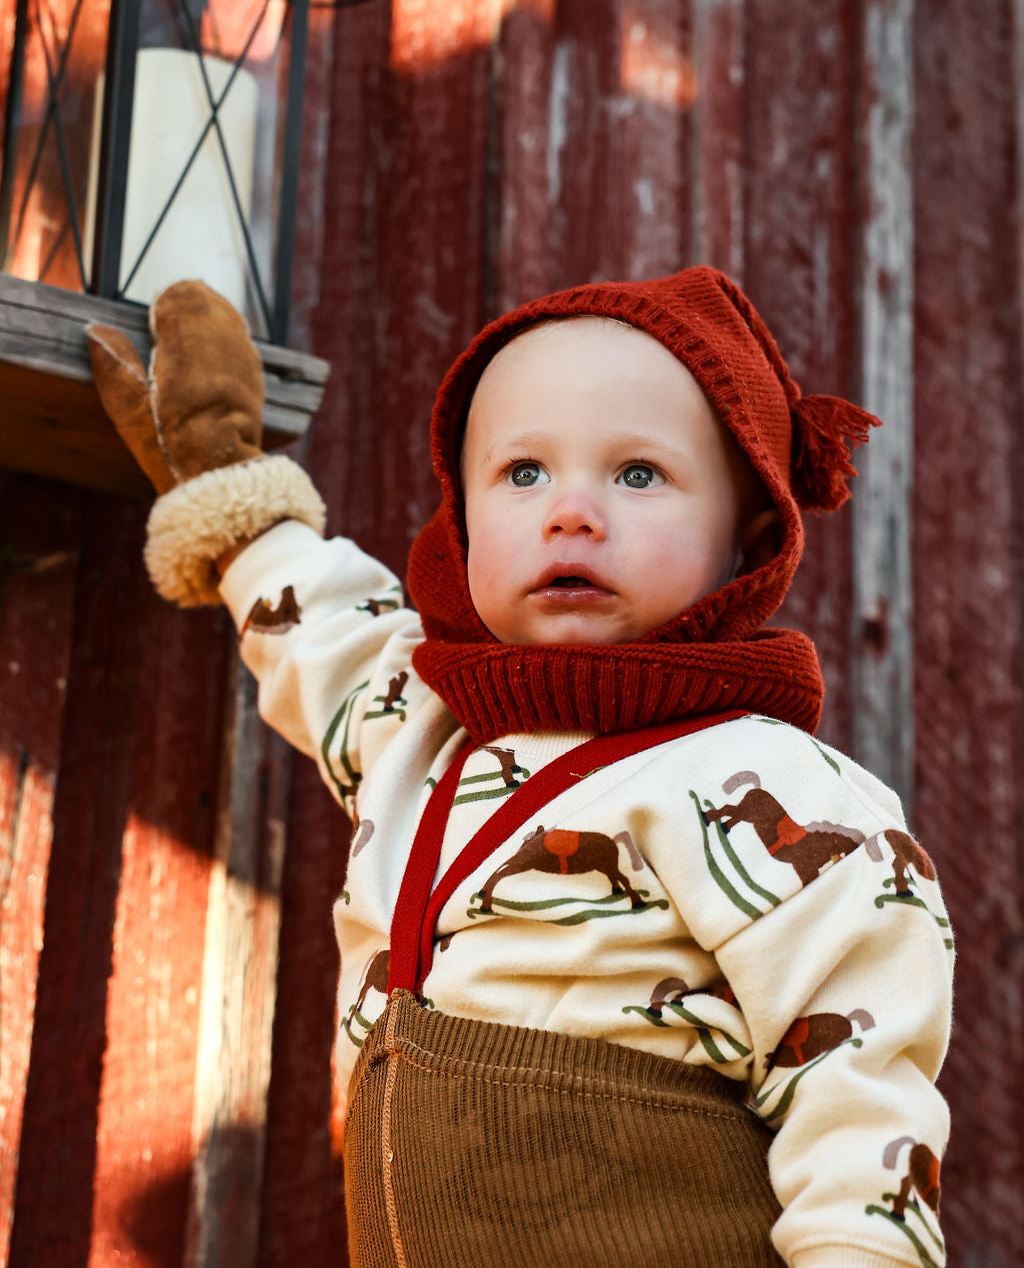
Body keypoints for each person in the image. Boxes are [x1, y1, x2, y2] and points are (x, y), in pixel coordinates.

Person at [89, 266, 953, 1268]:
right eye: (522, 473)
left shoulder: (781, 787)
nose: (570, 512)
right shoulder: (416, 723)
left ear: (747, 534)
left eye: (637, 474)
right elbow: (316, 628)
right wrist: (226, 493)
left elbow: (858, 1094)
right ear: (461, 523)